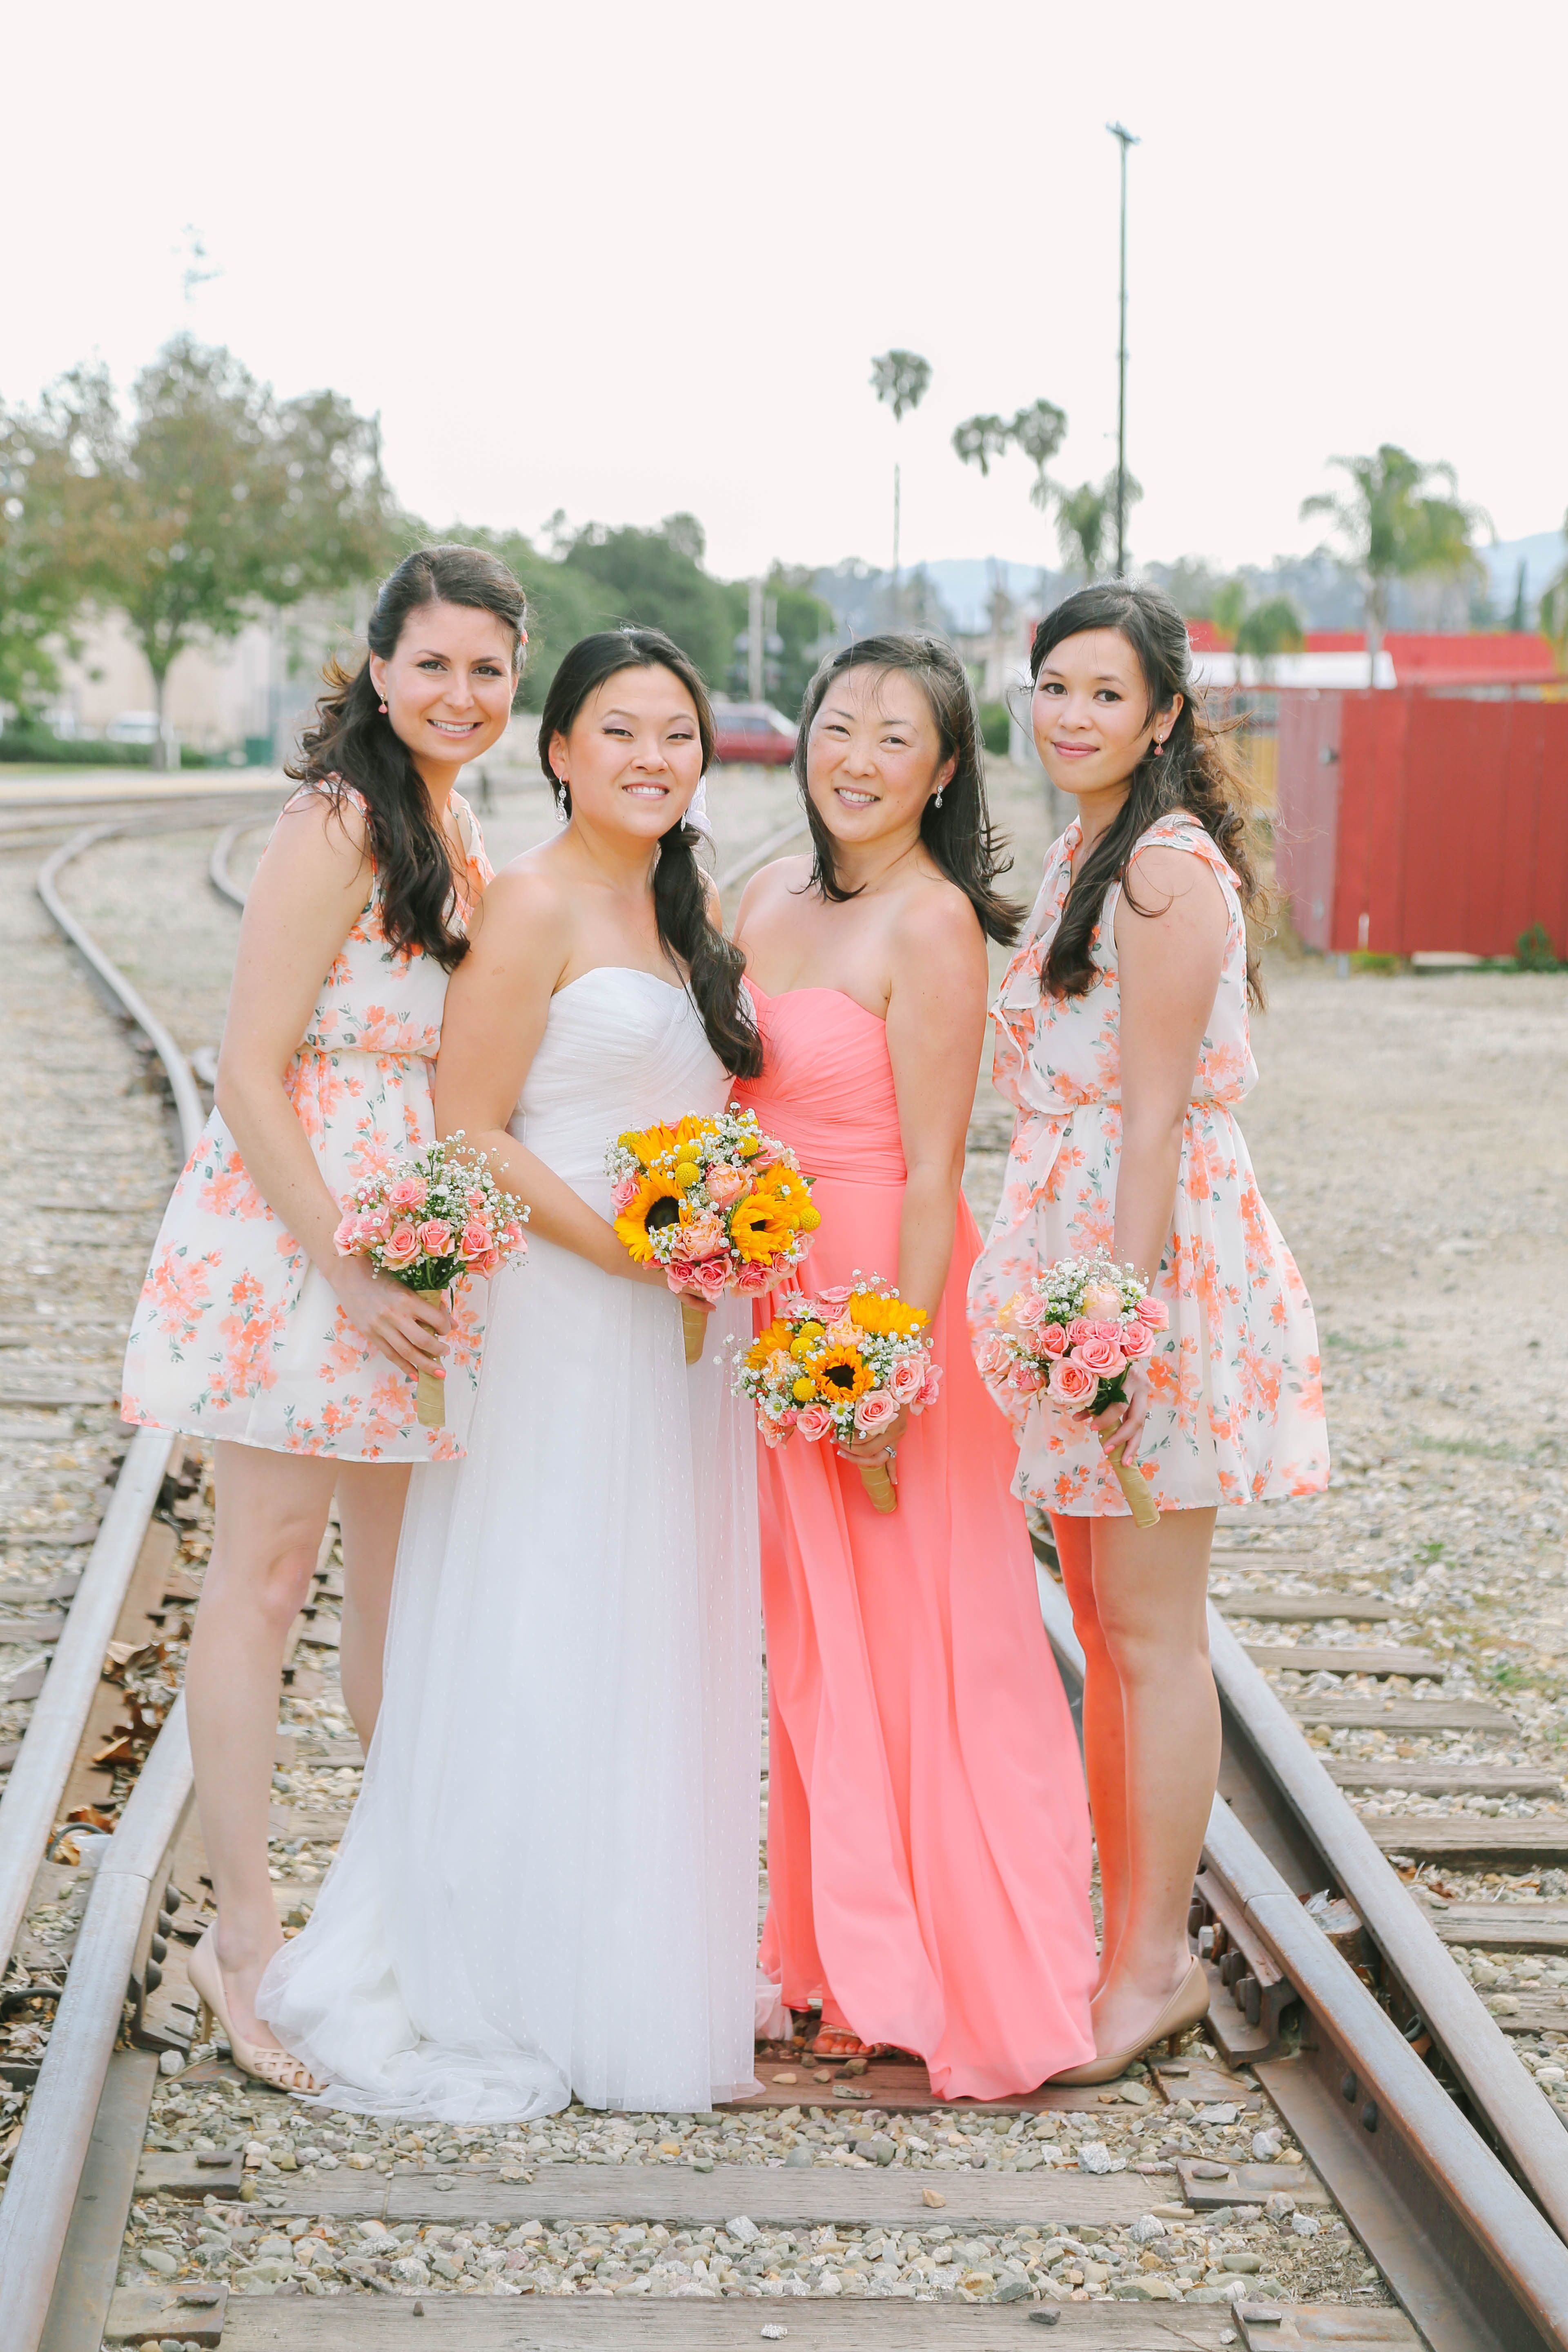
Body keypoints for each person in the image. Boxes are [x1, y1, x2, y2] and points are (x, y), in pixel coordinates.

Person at [259, 629, 766, 2120]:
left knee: (650, 1624)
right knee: (547, 1608)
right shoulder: (532, 905)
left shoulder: (694, 905)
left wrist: (724, 1227)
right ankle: (510, 1966)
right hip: (565, 1298)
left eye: (677, 733)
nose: (654, 758)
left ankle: (635, 1958)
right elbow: (472, 1119)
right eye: (620, 732)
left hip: (682, 1318)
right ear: (559, 751)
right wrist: (623, 1247)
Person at [120, 545, 524, 2091]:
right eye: (433, 664)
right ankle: (244, 1935)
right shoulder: (340, 819)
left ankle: (395, 1910)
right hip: (301, 1242)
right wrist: (350, 1267)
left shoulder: (447, 818)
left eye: (490, 670)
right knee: (267, 1575)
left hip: (410, 1246)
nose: (461, 694)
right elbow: (246, 1064)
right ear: (373, 666)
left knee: (396, 1593)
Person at [969, 583, 1329, 2083]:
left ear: (1165, 715)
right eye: (1053, 686)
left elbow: (1157, 1115)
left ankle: (1156, 1961)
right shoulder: (1083, 849)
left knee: (1154, 1635)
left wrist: (1115, 1328)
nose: (1070, 715)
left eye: (1105, 693)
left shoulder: (1164, 872)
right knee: (1111, 1632)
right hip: (1086, 1255)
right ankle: (1126, 1937)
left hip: (1148, 1263)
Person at [731, 634, 1096, 2101]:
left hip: (881, 1296)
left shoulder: (935, 923)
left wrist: (884, 1369)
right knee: (819, 1640)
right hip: (771, 1298)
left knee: (929, 1635)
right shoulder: (767, 896)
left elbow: (945, 1173)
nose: (857, 756)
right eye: (840, 723)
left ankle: (953, 1969)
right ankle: (837, 1958)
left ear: (944, 770)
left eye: (897, 737)